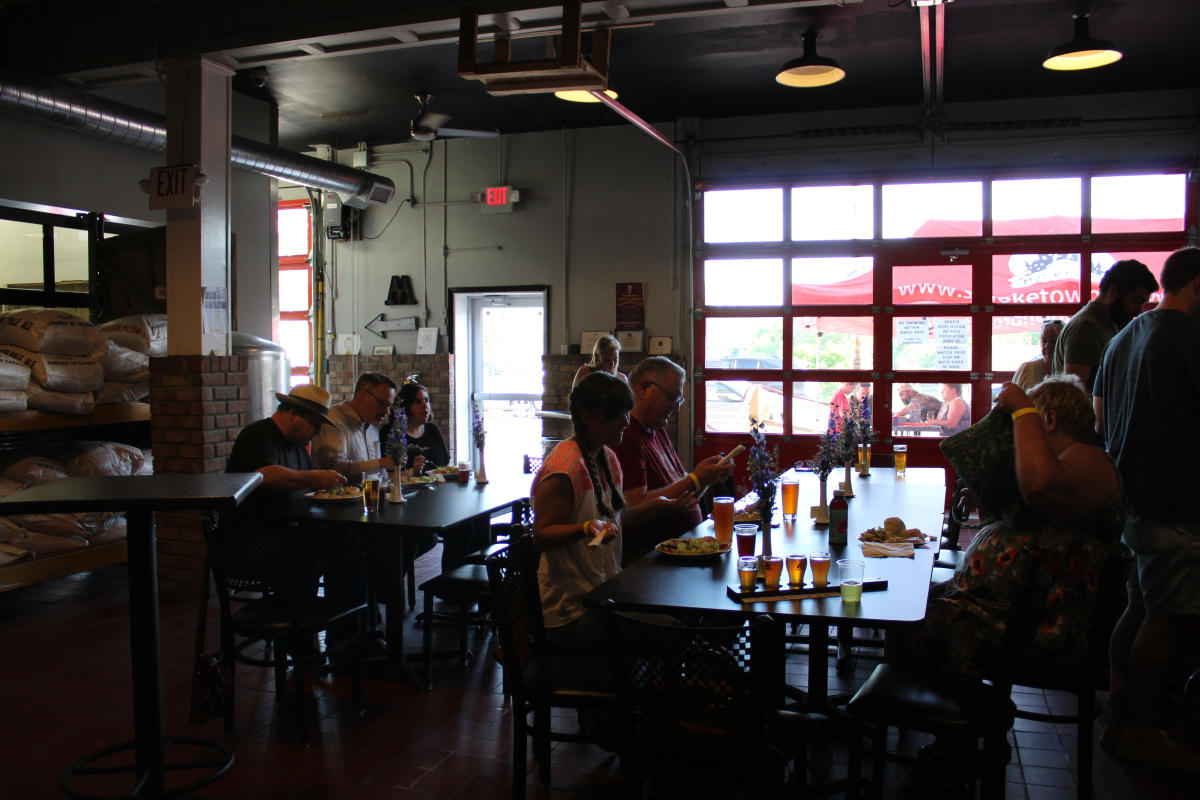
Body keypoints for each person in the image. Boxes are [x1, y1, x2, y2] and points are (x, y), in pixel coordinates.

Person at [891, 375, 1124, 679]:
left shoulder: (1087, 456)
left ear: (1049, 420)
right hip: (1010, 611)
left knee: (908, 625)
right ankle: (929, 711)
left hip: (1036, 629)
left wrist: (1023, 410)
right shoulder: (1061, 464)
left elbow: (1039, 487)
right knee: (910, 605)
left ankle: (946, 715)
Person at [1093, 246, 1200, 770]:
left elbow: (1099, 415)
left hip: (1132, 498)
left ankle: (1117, 712)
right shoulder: (1184, 338)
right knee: (1166, 618)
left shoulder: (1124, 338)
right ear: (1196, 285)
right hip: (1177, 503)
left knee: (1137, 608)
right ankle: (1137, 730)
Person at [531, 372, 688, 649]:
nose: (627, 422)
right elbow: (541, 536)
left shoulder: (609, 459)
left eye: (627, 412)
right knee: (671, 633)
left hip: (604, 594)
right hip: (571, 612)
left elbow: (614, 520)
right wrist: (584, 529)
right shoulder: (565, 468)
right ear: (588, 416)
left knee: (678, 611)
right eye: (617, 414)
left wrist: (659, 508)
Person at [225, 385, 362, 657]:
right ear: (291, 414)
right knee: (320, 555)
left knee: (354, 546)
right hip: (256, 542)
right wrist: (316, 477)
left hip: (289, 535)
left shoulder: (298, 448)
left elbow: (312, 488)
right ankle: (306, 642)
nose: (317, 432)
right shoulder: (257, 435)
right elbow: (267, 476)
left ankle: (349, 637)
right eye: (314, 424)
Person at [612, 357, 734, 563]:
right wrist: (696, 478)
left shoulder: (657, 429)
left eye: (680, 400)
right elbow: (635, 507)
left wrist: (705, 479)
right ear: (644, 388)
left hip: (685, 551)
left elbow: (682, 492)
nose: (676, 408)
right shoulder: (625, 436)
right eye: (672, 397)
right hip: (654, 560)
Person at [1051, 259, 1159, 392]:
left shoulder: (1106, 323)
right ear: (1113, 291)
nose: (1139, 310)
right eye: (1136, 300)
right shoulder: (1086, 327)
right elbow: (1073, 393)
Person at [311, 372, 397, 484]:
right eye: (383, 403)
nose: (386, 411)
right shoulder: (333, 420)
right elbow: (333, 469)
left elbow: (378, 477)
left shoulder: (372, 428)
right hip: (336, 499)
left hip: (367, 499)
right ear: (362, 395)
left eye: (389, 406)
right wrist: (380, 463)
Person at [379, 381, 449, 474]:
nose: (425, 406)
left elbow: (445, 465)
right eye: (418, 401)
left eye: (426, 400)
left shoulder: (433, 429)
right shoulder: (390, 433)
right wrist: (412, 472)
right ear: (406, 406)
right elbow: (385, 476)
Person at [1012, 320, 1063, 391]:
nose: (1047, 346)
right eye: (1044, 341)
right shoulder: (1027, 369)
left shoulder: (1071, 370)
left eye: (1053, 341)